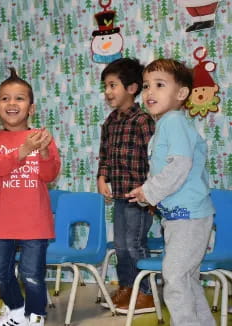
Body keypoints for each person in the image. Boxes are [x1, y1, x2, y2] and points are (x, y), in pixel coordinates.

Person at [126, 59, 216, 326]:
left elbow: (180, 164)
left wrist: (149, 191)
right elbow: (171, 170)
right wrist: (148, 194)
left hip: (188, 217)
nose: (149, 92)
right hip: (183, 217)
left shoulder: (173, 120)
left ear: (181, 94)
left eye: (159, 85)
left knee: (175, 278)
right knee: (185, 279)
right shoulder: (167, 125)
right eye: (146, 86)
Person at [0, 68, 61, 326]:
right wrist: (24, 149)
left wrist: (42, 153)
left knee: (32, 274)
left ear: (31, 107)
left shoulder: (42, 136)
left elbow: (49, 175)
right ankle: (16, 311)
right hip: (2, 222)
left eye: (19, 98)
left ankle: (36, 316)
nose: (12, 103)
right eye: (5, 98)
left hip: (35, 222)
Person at [97, 58, 156, 313]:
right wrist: (102, 178)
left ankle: (145, 293)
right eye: (105, 86)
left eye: (113, 85)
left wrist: (153, 195)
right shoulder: (110, 122)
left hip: (140, 197)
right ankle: (126, 287)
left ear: (132, 88)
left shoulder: (143, 120)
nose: (108, 92)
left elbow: (155, 159)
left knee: (135, 244)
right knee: (121, 245)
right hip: (120, 195)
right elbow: (105, 155)